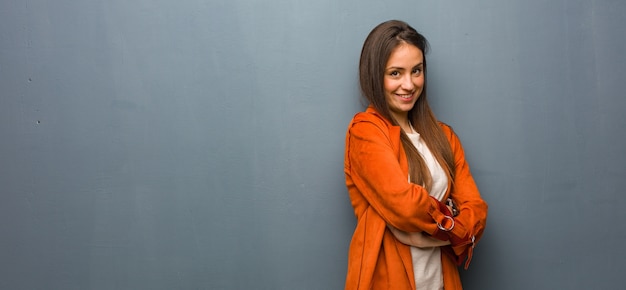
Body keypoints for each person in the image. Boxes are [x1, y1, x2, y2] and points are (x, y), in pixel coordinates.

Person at [343, 20, 488, 290]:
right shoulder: (366, 131)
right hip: (387, 281)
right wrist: (453, 224)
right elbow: (406, 205)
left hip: (442, 281)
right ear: (375, 75)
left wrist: (430, 237)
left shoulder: (444, 137)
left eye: (416, 71)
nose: (408, 85)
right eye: (395, 73)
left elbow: (476, 210)